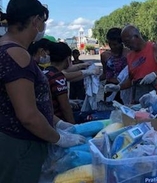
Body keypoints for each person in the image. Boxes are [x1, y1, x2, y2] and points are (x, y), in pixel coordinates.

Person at [0, 1, 85, 183]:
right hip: (21, 145)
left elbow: (33, 101)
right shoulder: (17, 54)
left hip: (18, 142)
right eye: (44, 21)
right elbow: (28, 115)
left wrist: (59, 123)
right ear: (36, 20)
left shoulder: (8, 48)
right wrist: (59, 138)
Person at [104, 25, 157, 103]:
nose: (126, 45)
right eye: (124, 43)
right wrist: (118, 87)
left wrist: (155, 74)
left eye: (127, 42)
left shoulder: (154, 48)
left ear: (136, 36)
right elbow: (131, 80)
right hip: (138, 102)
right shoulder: (130, 56)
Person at [44, 42, 76, 124]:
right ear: (68, 59)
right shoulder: (58, 77)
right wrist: (73, 126)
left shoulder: (45, 72)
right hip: (58, 121)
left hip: (46, 119)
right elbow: (64, 106)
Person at [100, 28, 129, 104]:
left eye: (115, 44)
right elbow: (105, 73)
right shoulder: (104, 55)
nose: (112, 47)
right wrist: (95, 79)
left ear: (121, 43)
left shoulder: (128, 53)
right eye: (110, 44)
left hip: (125, 87)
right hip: (110, 87)